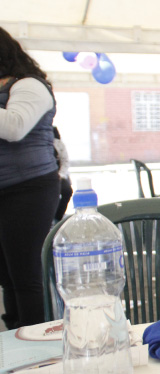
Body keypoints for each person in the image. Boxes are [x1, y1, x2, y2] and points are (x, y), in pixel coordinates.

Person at [0, 27, 60, 328]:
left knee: (25, 275)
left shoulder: (28, 85)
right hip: (6, 189)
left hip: (29, 188)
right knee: (7, 276)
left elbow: (14, 127)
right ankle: (16, 341)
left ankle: (36, 347)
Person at [52, 126, 73, 222]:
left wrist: (61, 175)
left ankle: (58, 218)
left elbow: (65, 161)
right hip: (45, 176)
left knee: (67, 191)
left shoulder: (58, 144)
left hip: (59, 175)